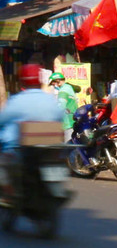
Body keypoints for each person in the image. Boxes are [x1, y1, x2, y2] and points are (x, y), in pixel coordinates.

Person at [0, 64, 67, 196]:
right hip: (49, 150)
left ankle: (8, 195)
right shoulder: (50, 100)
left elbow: (3, 121)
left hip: (22, 152)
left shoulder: (17, 101)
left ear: (22, 82)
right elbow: (60, 118)